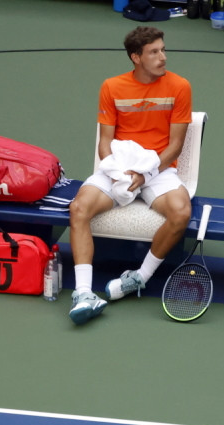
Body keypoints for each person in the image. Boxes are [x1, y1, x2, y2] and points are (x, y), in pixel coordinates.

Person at [66, 26, 193, 325]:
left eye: (162, 49)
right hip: (119, 167)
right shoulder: (112, 87)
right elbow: (104, 143)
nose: (163, 57)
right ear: (136, 57)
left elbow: (175, 146)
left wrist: (146, 172)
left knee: (181, 213)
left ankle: (139, 277)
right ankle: (83, 293)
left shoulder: (180, 87)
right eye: (154, 52)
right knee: (78, 209)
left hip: (157, 168)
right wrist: (117, 171)